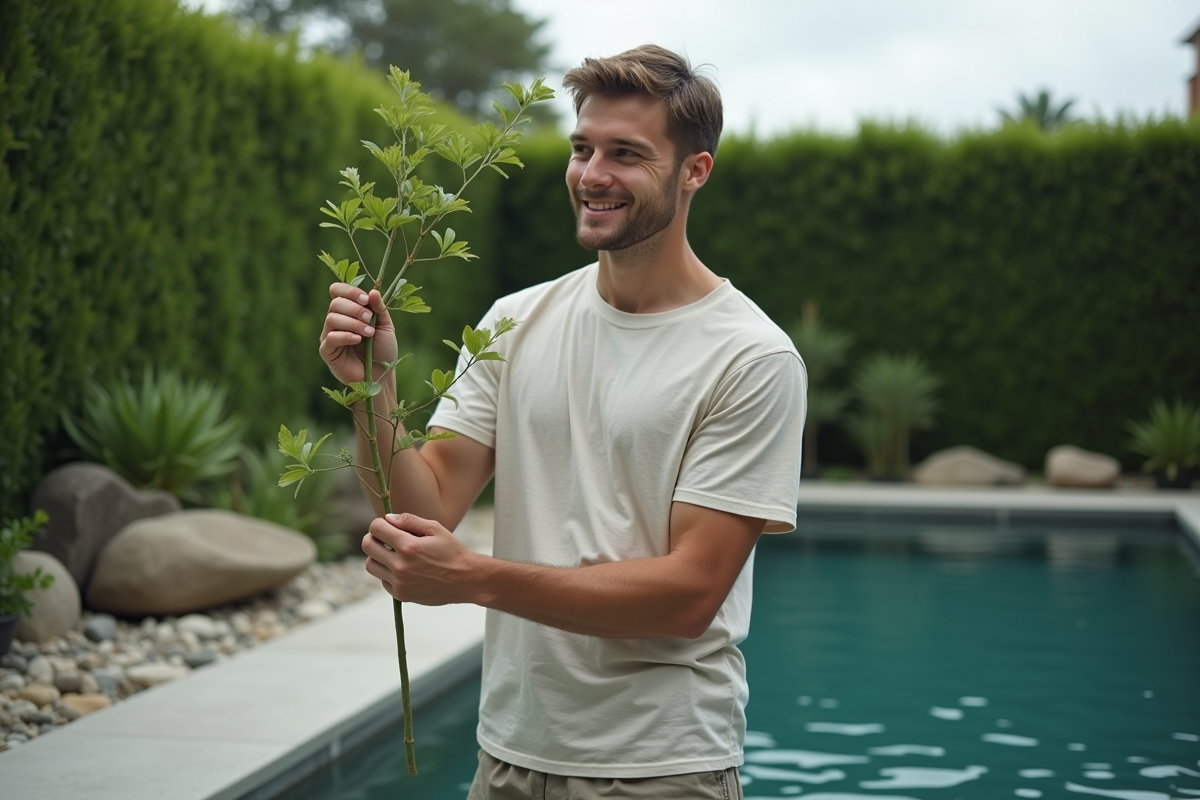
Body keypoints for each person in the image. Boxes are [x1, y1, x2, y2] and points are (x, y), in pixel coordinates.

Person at [319, 44, 806, 800]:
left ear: (695, 171)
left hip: (658, 768)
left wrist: (475, 578)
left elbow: (690, 595)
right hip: (507, 756)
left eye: (626, 154)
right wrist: (372, 388)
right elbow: (424, 510)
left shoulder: (750, 358)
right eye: (583, 149)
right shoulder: (512, 321)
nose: (592, 174)